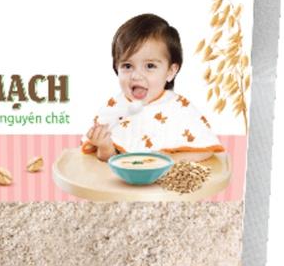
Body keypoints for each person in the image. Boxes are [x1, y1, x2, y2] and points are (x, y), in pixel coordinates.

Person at [82, 14, 224, 162]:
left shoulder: (179, 108)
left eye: (150, 66)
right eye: (127, 66)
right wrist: (104, 146)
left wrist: (170, 159)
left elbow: (206, 150)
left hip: (165, 176)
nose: (136, 76)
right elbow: (109, 162)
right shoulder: (115, 108)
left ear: (170, 71)